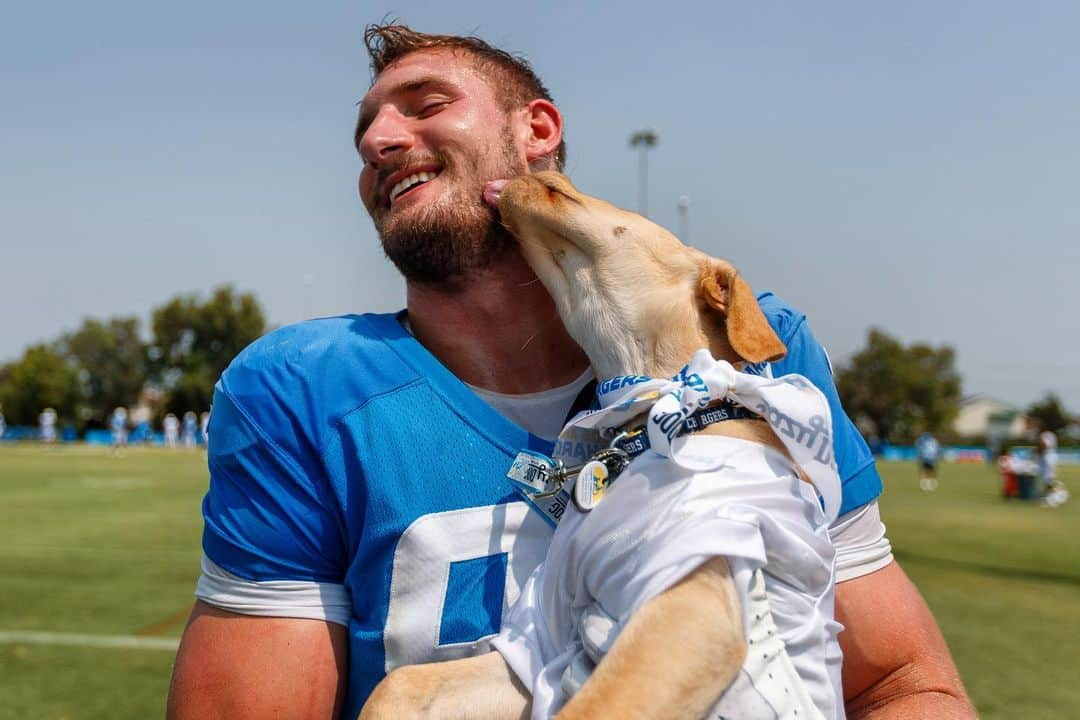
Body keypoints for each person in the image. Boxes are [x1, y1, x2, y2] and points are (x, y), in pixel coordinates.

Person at [168, 24, 974, 720]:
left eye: (425, 105)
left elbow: (904, 684)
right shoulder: (300, 389)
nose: (380, 140)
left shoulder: (746, 349)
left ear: (537, 130)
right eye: (368, 131)